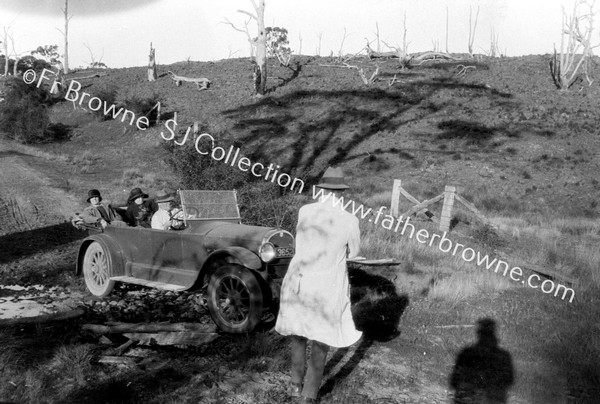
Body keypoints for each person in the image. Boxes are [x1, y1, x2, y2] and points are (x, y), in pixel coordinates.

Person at [275, 166, 362, 404]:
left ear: (321, 189)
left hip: (299, 279)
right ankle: (309, 395)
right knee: (321, 338)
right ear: (341, 192)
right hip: (326, 284)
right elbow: (355, 252)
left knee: (299, 333)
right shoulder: (349, 220)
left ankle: (295, 385)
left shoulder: (305, 211)